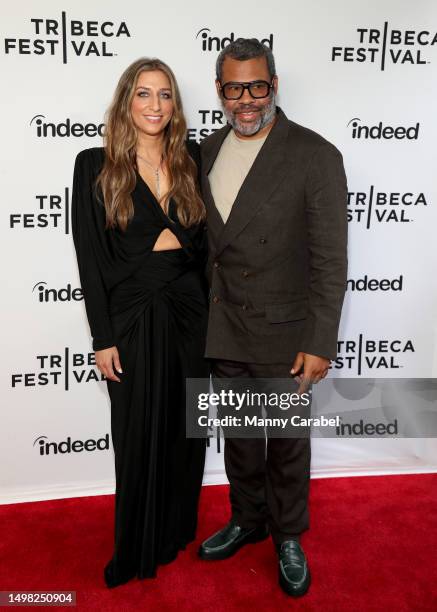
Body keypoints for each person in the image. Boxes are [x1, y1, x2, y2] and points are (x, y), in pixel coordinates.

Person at [198, 39, 348, 597]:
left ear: (273, 85)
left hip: (285, 332)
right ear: (220, 90)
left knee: (286, 440)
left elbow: (331, 259)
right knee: (238, 435)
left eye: (256, 86)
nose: (246, 100)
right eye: (234, 88)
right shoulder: (205, 151)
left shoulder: (313, 154)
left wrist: (320, 339)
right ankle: (247, 517)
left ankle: (287, 533)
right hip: (225, 325)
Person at [71, 57, 209, 588]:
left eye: (166, 95)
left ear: (176, 105)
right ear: (126, 101)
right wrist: (102, 337)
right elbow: (90, 254)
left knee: (183, 428)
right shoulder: (95, 165)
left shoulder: (193, 158)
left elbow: (204, 245)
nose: (155, 106)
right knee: (136, 431)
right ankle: (134, 547)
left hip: (190, 312)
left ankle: (175, 531)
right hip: (132, 315)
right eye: (144, 94)